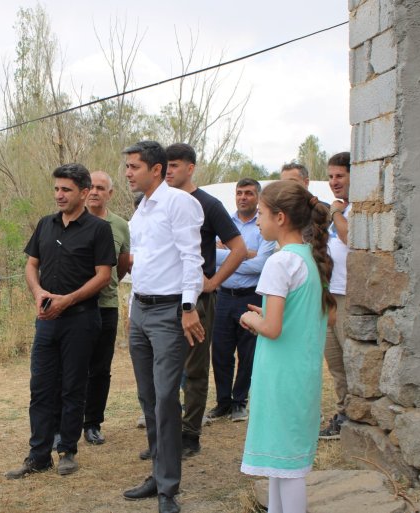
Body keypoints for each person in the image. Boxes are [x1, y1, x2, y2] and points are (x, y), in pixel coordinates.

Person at [5, 163, 115, 479]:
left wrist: (68, 300)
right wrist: (38, 292)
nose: (59, 195)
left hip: (80, 320)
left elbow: (104, 276)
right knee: (41, 388)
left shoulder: (99, 229)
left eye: (66, 189)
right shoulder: (45, 224)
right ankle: (38, 456)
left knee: (73, 387)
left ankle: (67, 450)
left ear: (84, 192)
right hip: (46, 320)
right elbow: (31, 264)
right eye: (56, 189)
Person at [238, 180, 335, 513]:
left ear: (280, 218)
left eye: (262, 214)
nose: (259, 220)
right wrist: (265, 315)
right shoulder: (310, 257)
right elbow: (301, 314)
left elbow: (272, 328)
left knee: (287, 467)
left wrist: (252, 320)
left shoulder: (279, 263)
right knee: (284, 461)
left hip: (280, 373)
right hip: (301, 372)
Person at [122, 141, 204, 513]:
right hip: (141, 310)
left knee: (166, 397)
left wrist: (189, 307)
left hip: (170, 312)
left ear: (156, 169)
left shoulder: (179, 203)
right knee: (148, 398)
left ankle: (169, 488)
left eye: (134, 166)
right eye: (127, 166)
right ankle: (157, 474)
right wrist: (131, 306)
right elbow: (143, 263)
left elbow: (192, 257)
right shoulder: (141, 209)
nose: (128, 173)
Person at [163, 143, 245, 457]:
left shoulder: (208, 204)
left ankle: (189, 436)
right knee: (165, 369)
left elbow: (237, 248)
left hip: (196, 300)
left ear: (190, 168)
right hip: (162, 298)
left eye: (174, 165)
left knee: (194, 369)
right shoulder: (160, 203)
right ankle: (166, 433)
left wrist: (213, 282)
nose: (169, 170)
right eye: (165, 165)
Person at [210, 178, 275, 422]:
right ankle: (223, 402)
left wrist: (228, 255)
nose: (243, 197)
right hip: (224, 296)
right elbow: (209, 255)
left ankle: (239, 401)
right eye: (239, 193)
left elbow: (263, 264)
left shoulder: (263, 224)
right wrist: (243, 254)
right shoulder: (224, 221)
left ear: (257, 197)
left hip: (250, 296)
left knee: (247, 353)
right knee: (221, 351)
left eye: (248, 193)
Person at [82, 170, 131, 445]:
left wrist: (108, 284)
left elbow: (123, 265)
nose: (95, 192)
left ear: (110, 193)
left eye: (101, 187)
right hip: (75, 306)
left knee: (100, 368)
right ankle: (66, 422)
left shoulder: (120, 225)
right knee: (72, 367)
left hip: (106, 305)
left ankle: (93, 423)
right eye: (91, 187)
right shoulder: (73, 221)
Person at [319, 152, 351, 440]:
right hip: (330, 296)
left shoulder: (350, 210)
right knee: (336, 362)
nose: (334, 182)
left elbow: (348, 237)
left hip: (349, 297)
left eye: (339, 175)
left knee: (351, 360)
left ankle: (355, 415)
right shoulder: (338, 209)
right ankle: (343, 414)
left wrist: (335, 212)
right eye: (330, 176)